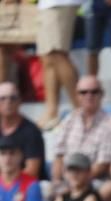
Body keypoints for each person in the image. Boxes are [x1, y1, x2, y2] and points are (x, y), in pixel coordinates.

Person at [52, 77, 111, 185]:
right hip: (66, 179)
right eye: (83, 92)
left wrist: (76, 181)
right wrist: (57, 180)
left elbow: (102, 164)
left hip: (92, 182)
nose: (89, 96)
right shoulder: (69, 119)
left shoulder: (110, 124)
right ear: (77, 96)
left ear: (101, 94)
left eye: (94, 92)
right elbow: (59, 155)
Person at [36, 0, 82, 131]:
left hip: (59, 3)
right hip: (50, 4)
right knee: (47, 57)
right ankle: (52, 112)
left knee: (55, 53)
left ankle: (80, 108)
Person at [0, 83, 45, 179]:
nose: (8, 102)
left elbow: (32, 171)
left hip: (24, 186)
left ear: (20, 101)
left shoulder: (31, 131)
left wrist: (5, 184)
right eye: (2, 98)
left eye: (13, 98)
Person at [0, 137, 43, 201]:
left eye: (12, 153)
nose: (7, 159)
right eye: (3, 154)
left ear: (21, 156)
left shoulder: (31, 184)